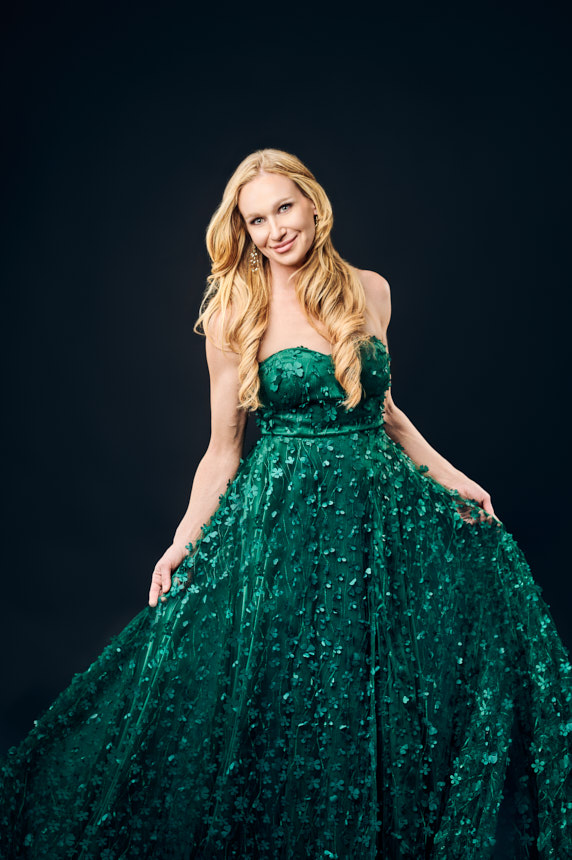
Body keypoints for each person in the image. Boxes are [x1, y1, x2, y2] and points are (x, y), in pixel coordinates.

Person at [1, 148, 570, 859]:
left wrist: (454, 477)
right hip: (285, 523)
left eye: (283, 208)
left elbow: (386, 413)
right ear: (242, 230)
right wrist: (183, 539)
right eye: (256, 220)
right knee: (291, 687)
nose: (274, 231)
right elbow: (223, 452)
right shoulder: (235, 312)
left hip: (378, 519)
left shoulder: (371, 290)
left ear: (312, 203)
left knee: (375, 681)